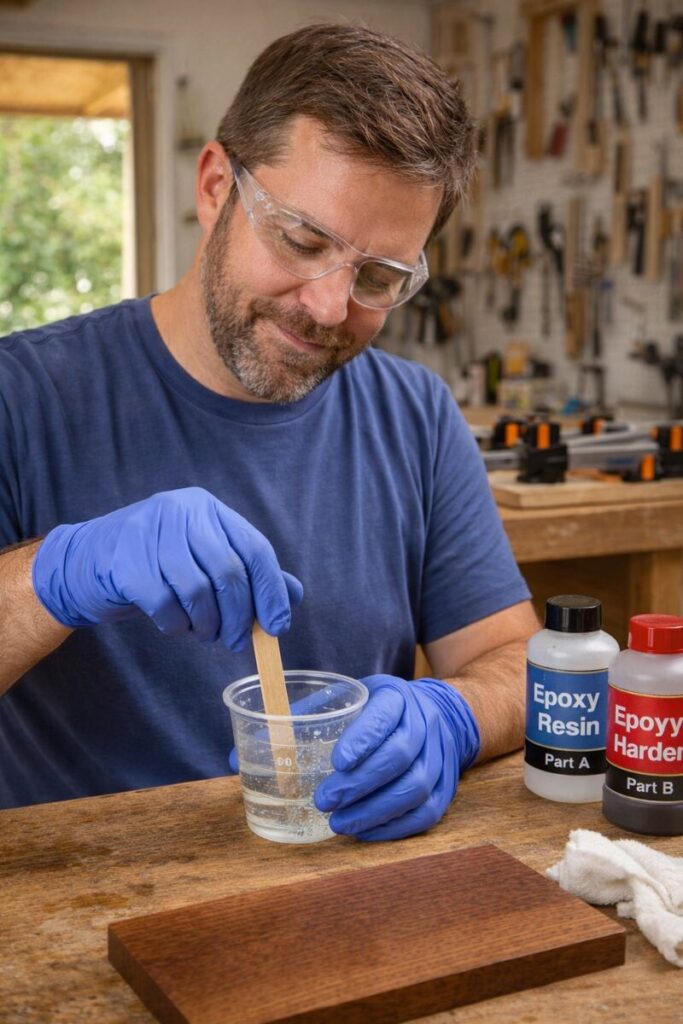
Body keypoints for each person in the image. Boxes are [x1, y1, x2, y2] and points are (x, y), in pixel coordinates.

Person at [0, 23, 537, 836]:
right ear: (215, 185)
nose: (327, 305)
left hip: (335, 880)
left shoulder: (415, 417)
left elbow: (520, 664)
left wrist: (455, 716)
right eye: (303, 239)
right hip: (78, 912)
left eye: (379, 276)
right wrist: (57, 576)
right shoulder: (22, 395)